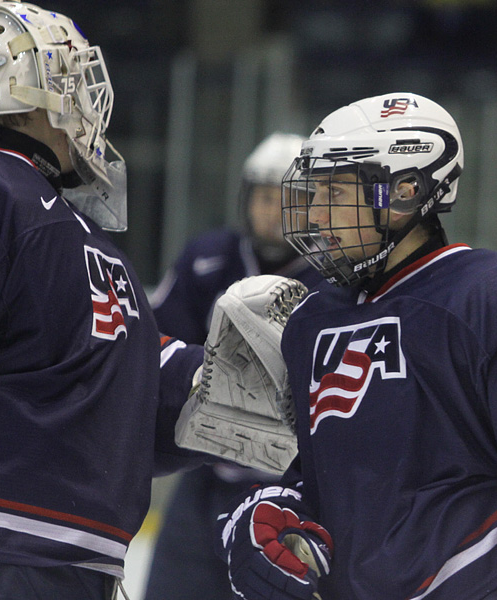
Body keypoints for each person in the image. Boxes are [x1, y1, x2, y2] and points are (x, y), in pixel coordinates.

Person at [215, 92, 497, 600]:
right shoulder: (311, 321)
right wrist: (270, 510)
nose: (317, 216)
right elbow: (328, 477)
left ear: (406, 192)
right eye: (315, 193)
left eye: (338, 195)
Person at [0, 2, 207, 598]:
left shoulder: (88, 240)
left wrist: (220, 383)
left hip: (72, 568)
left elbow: (133, 389)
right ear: (37, 91)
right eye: (73, 78)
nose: (87, 101)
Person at [145, 132, 321, 600]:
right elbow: (156, 348)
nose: (272, 211)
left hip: (294, 490)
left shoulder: (335, 282)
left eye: (286, 200)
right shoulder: (209, 260)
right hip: (208, 476)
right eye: (263, 198)